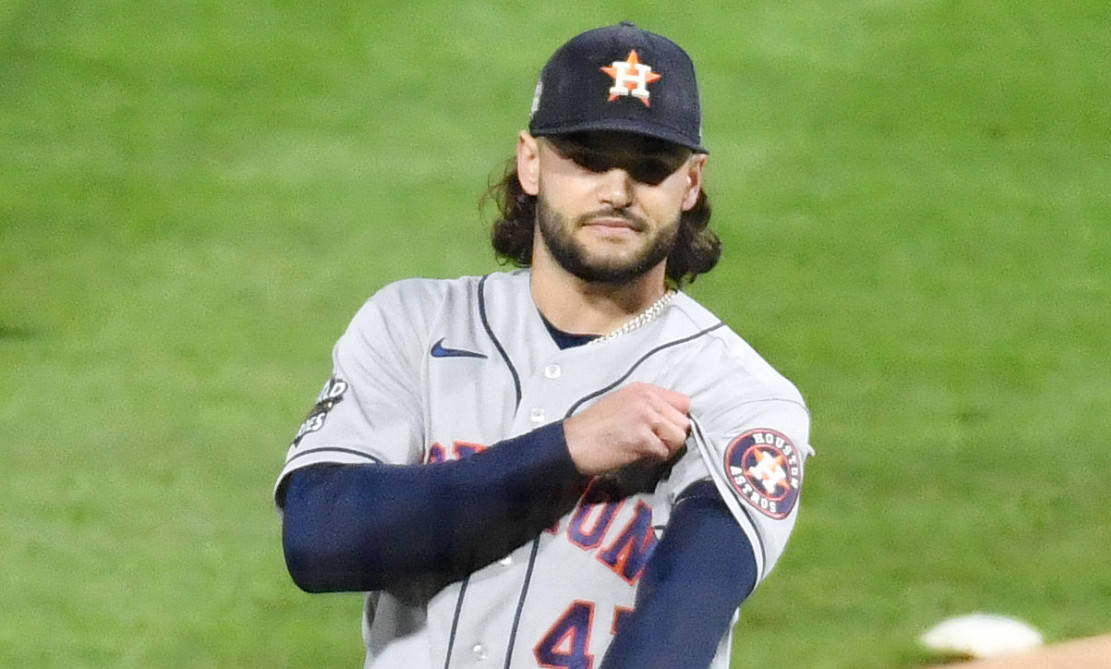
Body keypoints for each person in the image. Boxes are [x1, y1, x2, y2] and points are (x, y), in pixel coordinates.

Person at [274, 22, 814, 669]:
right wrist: (565, 450)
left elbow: (680, 624)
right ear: (531, 162)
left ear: (692, 182)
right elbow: (319, 538)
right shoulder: (414, 325)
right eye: (587, 159)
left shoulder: (737, 394)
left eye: (649, 168)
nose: (617, 191)